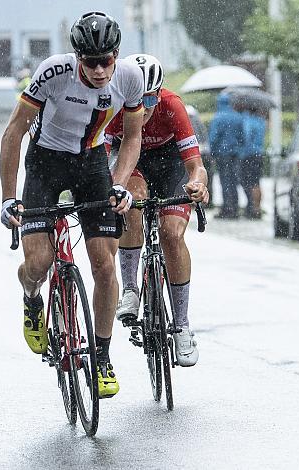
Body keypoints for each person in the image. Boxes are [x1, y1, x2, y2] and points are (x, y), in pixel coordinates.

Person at [0, 11, 144, 399]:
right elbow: (13, 134)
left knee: (103, 265)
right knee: (39, 263)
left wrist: (119, 184)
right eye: (91, 62)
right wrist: (8, 198)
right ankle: (32, 298)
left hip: (92, 164)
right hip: (45, 164)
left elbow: (132, 138)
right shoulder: (53, 73)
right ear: (77, 57)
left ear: (117, 55)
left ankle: (101, 356)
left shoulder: (130, 78)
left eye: (106, 60)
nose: (99, 70)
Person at [104, 54, 208, 367]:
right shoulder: (113, 105)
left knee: (171, 235)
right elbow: (102, 159)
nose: (146, 106)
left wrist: (197, 185)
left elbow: (195, 166)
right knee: (132, 199)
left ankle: (181, 326)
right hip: (132, 163)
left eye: (151, 98)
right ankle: (132, 290)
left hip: (170, 165)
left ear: (159, 92)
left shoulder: (172, 105)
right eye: (139, 98)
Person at [208, 93, 244, 219]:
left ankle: (227, 209)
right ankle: (235, 207)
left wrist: (212, 152)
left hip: (222, 154)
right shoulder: (237, 117)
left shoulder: (218, 117)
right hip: (235, 154)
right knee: (234, 180)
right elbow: (242, 137)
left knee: (225, 180)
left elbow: (214, 137)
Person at [238, 109, 266, 219]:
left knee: (247, 182)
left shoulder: (248, 121)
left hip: (248, 155)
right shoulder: (261, 121)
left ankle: (252, 208)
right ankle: (257, 208)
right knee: (256, 182)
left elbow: (246, 137)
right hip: (259, 154)